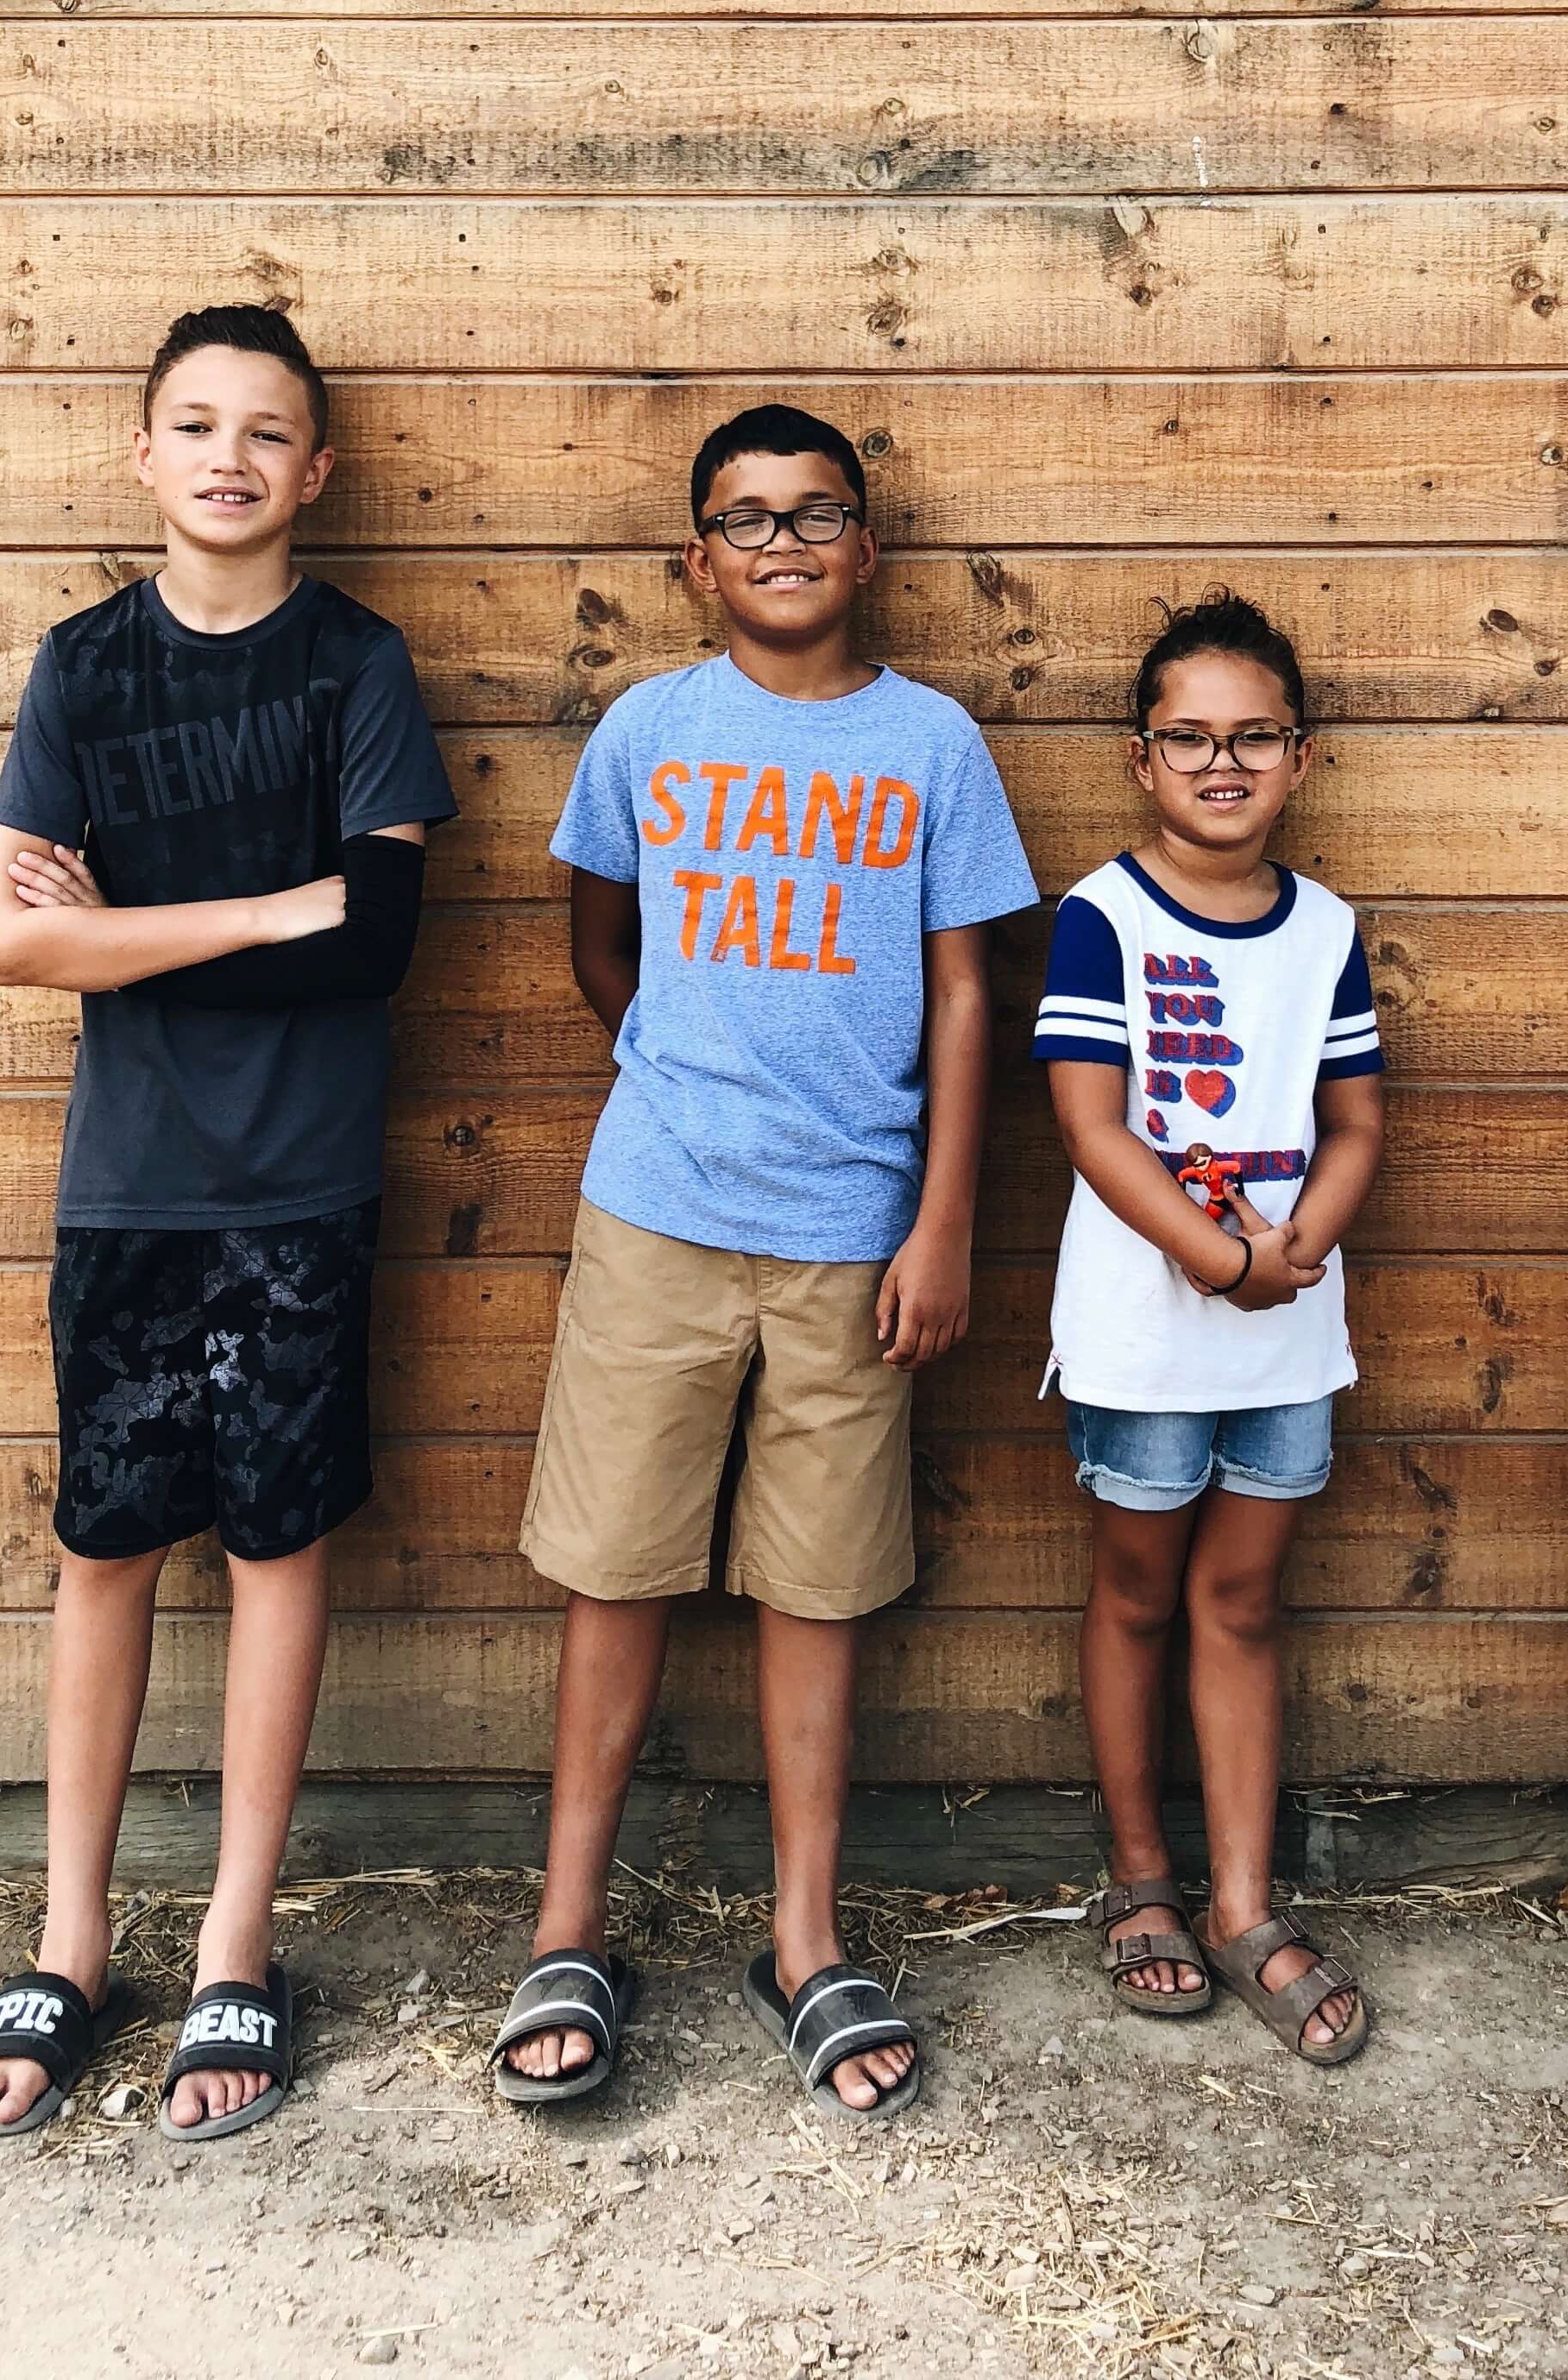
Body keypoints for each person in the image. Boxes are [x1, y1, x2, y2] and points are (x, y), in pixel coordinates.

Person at [492, 402, 1036, 2119]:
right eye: (746, 519)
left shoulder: (932, 745)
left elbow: (967, 989)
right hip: (656, 1215)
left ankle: (803, 1936)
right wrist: (672, 1061)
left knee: (818, 1588)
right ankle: (564, 1930)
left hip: (852, 1236)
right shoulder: (650, 729)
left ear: (869, 547)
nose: (783, 544)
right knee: (618, 1570)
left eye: (817, 516)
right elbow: (600, 932)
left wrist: (939, 1217)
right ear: (694, 558)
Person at [0, 304, 455, 2142]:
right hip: (129, 1189)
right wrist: (263, 913)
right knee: (104, 1550)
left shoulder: (356, 667)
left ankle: (236, 1945)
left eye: (266, 431)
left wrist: (135, 929)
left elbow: (383, 943)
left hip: (301, 1196)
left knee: (271, 1548)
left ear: (312, 472)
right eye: (195, 424)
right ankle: (72, 1940)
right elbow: (12, 944)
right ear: (141, 456)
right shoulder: (85, 671)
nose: (229, 456)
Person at [1033, 591, 1383, 2067]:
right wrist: (1211, 1254)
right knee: (1137, 1590)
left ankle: (1244, 1898)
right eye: (1192, 737)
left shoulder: (1330, 931)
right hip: (1148, 1329)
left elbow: (1355, 1118)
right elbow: (1091, 1126)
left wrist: (1299, 1240)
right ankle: (1141, 1879)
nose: (1222, 762)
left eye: (1253, 737)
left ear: (1300, 758)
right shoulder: (1101, 918)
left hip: (1287, 1323)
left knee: (1243, 1602)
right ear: (1142, 755)